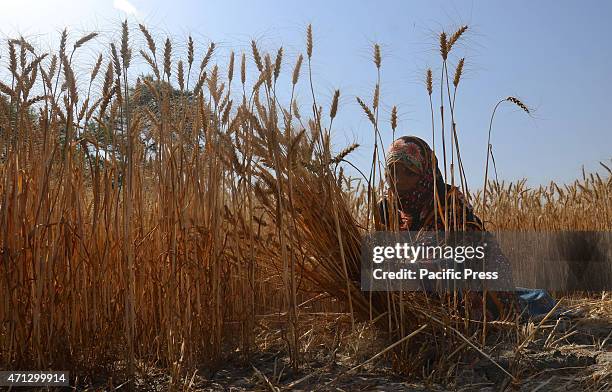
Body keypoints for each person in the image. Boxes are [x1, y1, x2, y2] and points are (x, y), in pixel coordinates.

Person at [377, 135, 558, 321]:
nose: (398, 180)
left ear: (426, 174)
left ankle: (529, 302)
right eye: (392, 171)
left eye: (409, 172)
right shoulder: (386, 209)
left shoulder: (450, 206)